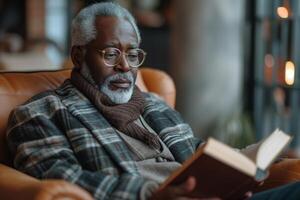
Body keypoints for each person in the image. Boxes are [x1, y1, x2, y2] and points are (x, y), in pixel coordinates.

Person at [6, 2, 300, 200]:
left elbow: (195, 151)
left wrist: (245, 165)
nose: (125, 66)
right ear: (79, 56)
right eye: (111, 54)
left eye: (132, 54)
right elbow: (63, 179)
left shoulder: (154, 103)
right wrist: (150, 193)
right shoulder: (40, 113)